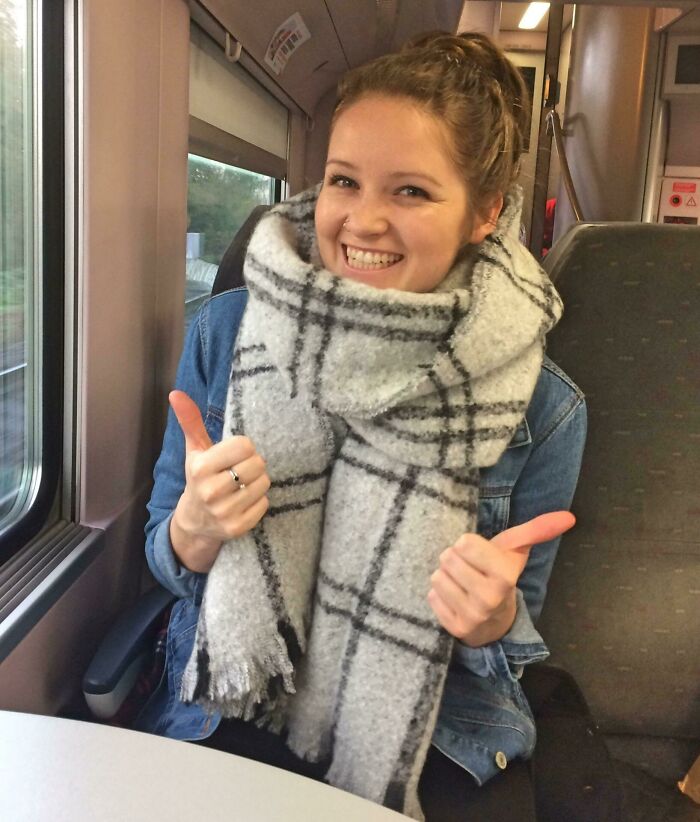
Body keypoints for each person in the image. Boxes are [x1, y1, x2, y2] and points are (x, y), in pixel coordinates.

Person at [138, 31, 586, 821]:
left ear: (484, 213)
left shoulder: (544, 407)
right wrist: (193, 530)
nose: (364, 220)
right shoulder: (227, 333)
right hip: (237, 693)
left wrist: (492, 620)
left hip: (429, 725)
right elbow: (166, 563)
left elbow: (512, 642)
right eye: (345, 180)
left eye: (410, 191)